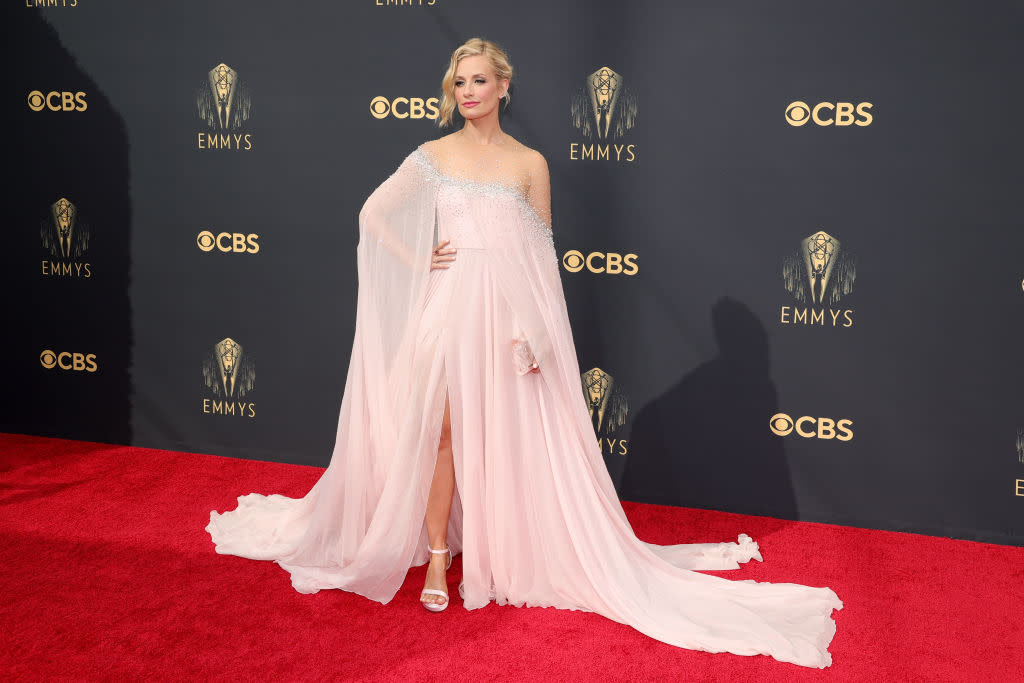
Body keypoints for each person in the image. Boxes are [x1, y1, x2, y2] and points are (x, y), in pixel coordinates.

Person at [207, 37, 842, 668]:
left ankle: (497, 547)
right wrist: (417, 261)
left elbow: (541, 259)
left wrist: (537, 331)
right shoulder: (431, 155)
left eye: (479, 81)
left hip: (505, 317)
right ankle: (436, 553)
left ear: (504, 86)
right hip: (448, 309)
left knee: (502, 433)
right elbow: (374, 216)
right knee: (442, 431)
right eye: (459, 83)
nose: (468, 93)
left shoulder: (529, 163)